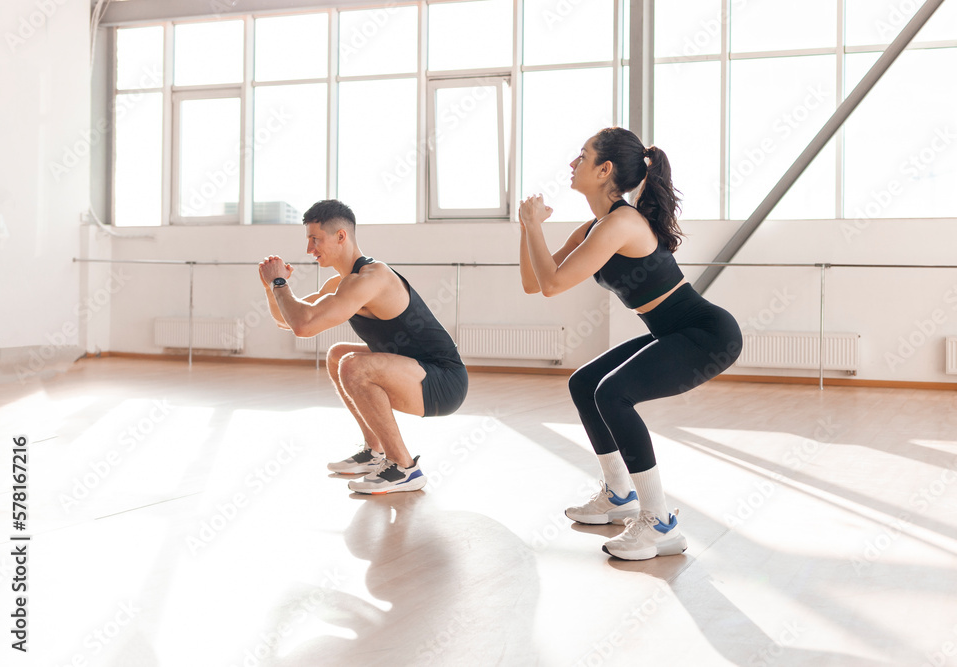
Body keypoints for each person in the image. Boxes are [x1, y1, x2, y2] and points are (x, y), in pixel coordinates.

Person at [518, 127, 742, 560]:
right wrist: (527, 230)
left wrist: (532, 227)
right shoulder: (596, 226)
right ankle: (619, 495)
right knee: (585, 383)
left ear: (604, 170)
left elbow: (551, 284)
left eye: (581, 157)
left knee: (613, 393)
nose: (572, 163)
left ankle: (659, 523)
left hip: (707, 335)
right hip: (671, 332)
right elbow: (534, 282)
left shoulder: (622, 222)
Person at [259, 199, 468, 494]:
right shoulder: (340, 283)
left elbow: (304, 326)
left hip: (443, 381)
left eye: (315, 239)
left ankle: (404, 468)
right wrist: (272, 288)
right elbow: (289, 320)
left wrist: (280, 282)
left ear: (341, 236)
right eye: (308, 240)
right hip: (414, 371)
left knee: (353, 365)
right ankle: (375, 452)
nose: (309, 249)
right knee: (338, 355)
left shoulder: (373, 277)